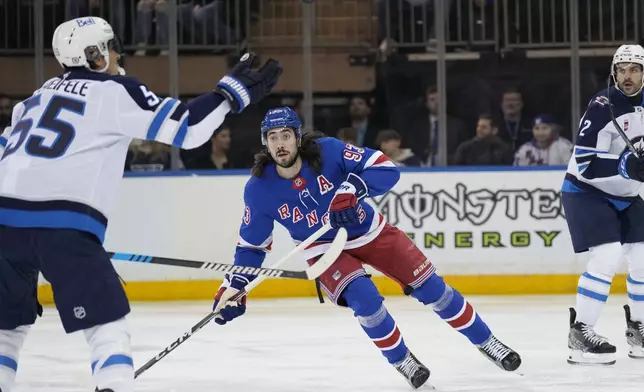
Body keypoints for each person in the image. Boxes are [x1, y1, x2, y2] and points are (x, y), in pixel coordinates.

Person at [0, 16, 281, 392]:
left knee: (6, 329)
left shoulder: (33, 100)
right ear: (97, 56)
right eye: (112, 45)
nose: (119, 53)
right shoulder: (115, 91)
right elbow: (188, 129)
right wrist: (230, 94)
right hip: (63, 227)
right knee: (106, 328)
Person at [211, 107, 521, 389]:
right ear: (265, 142)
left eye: (286, 135)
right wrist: (235, 286)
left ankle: (488, 341)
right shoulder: (259, 188)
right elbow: (251, 246)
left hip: (369, 231)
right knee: (365, 299)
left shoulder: (328, 151)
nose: (280, 143)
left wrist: (352, 189)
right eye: (272, 137)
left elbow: (386, 169)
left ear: (297, 137)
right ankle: (403, 361)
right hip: (324, 250)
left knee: (434, 290)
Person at [561, 44, 644, 366]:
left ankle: (638, 329)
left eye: (634, 69)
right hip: (586, 192)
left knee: (642, 258)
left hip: (626, 196)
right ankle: (582, 333)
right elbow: (584, 162)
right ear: (614, 72)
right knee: (608, 255)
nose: (627, 76)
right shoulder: (603, 105)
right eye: (622, 69)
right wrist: (624, 166)